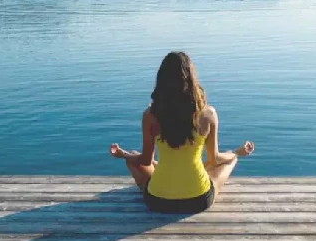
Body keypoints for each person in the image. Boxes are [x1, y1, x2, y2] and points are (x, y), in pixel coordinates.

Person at [109, 51, 254, 213]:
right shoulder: (208, 114)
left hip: (158, 201)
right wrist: (236, 152)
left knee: (132, 158)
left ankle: (162, 172)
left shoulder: (150, 115)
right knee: (229, 161)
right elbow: (214, 159)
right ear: (191, 79)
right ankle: (235, 156)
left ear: (161, 81)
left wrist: (123, 154)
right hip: (199, 200)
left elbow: (145, 160)